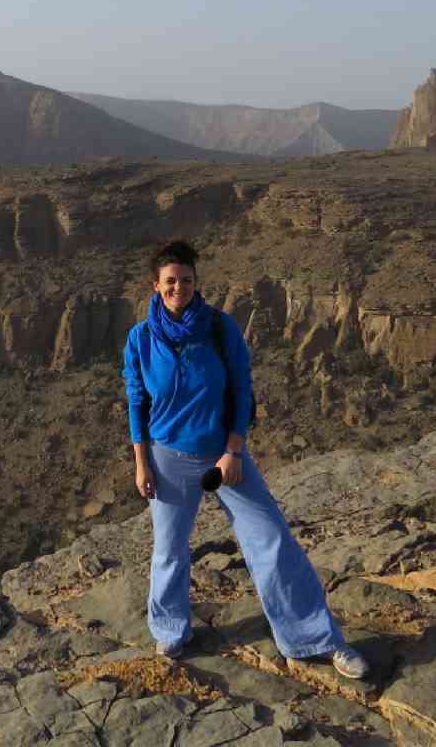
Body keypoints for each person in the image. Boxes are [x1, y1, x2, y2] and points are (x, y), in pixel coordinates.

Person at [123, 239, 368, 679]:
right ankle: (171, 632)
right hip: (167, 457)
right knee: (170, 550)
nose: (179, 287)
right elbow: (136, 402)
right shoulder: (141, 339)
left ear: (197, 282)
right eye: (171, 281)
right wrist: (141, 463)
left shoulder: (219, 327)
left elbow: (242, 388)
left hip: (222, 457)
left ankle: (316, 640)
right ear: (156, 285)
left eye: (187, 280)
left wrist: (233, 450)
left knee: (271, 540)